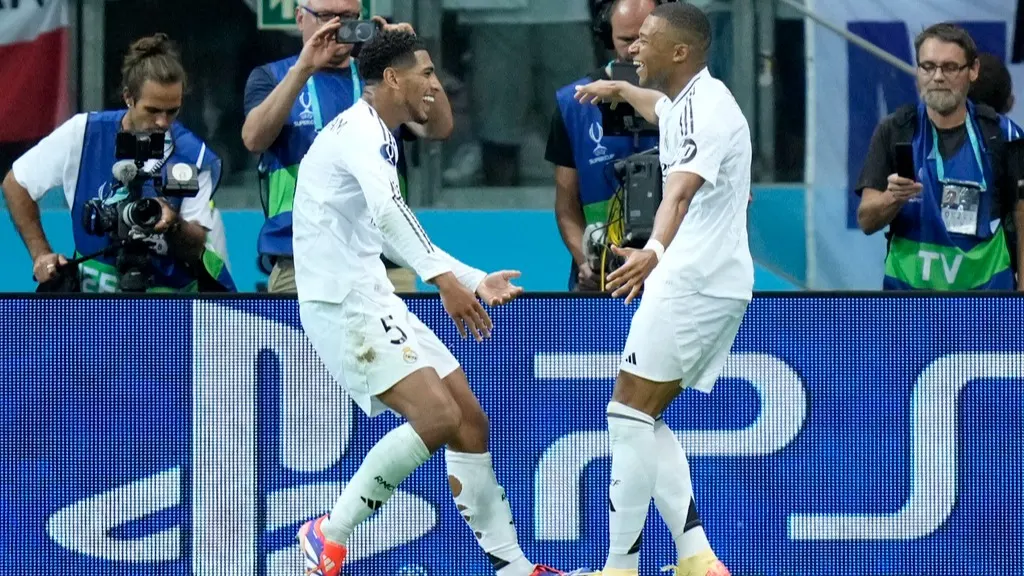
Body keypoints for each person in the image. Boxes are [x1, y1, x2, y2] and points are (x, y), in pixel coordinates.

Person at [291, 30, 572, 576]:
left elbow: (392, 224)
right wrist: (445, 281)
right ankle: (329, 532)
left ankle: (511, 565)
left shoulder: (379, 132)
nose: (434, 84)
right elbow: (391, 216)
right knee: (438, 417)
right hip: (343, 302)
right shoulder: (357, 133)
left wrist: (469, 278)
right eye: (424, 73)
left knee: (469, 420)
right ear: (392, 79)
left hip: (372, 291)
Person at [574, 2, 751, 575]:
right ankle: (696, 558)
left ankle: (621, 567)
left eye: (644, 39)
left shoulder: (710, 111)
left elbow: (676, 193)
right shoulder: (687, 99)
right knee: (642, 417)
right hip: (701, 280)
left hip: (692, 281)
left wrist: (653, 252)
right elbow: (663, 109)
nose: (632, 48)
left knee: (627, 414)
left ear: (679, 51)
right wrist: (622, 92)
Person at [242, 0, 453, 294]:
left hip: (384, 261)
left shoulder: (384, 79)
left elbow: (438, 128)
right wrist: (304, 68)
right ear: (301, 18)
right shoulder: (273, 77)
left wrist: (413, 58)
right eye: (327, 16)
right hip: (302, 259)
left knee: (400, 342)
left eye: (348, 17)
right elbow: (254, 139)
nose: (337, 26)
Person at [1, 33, 234, 292]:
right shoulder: (83, 133)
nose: (163, 122)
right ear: (128, 98)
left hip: (169, 310)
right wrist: (40, 254)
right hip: (94, 304)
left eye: (172, 111)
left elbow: (195, 247)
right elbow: (16, 183)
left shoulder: (191, 155)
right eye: (153, 110)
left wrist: (172, 223)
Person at [855, 23, 1024, 290]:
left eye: (950, 67)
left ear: (973, 70)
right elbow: (866, 221)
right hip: (909, 303)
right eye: (928, 66)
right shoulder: (896, 129)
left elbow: (1021, 214)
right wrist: (892, 198)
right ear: (918, 71)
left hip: (987, 303)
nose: (938, 77)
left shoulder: (1002, 134)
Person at [545, 0, 660, 291]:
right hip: (601, 282)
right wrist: (585, 262)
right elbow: (566, 207)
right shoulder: (574, 103)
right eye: (625, 40)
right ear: (607, 35)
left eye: (645, 39)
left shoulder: (691, 99)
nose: (634, 49)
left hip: (673, 282)